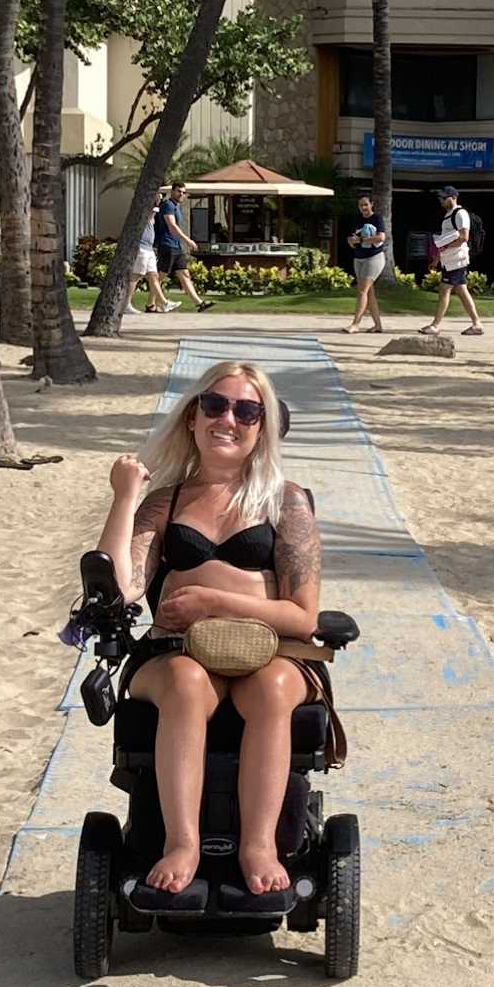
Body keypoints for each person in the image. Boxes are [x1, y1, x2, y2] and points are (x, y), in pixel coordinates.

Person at [97, 361, 327, 896]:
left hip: (271, 651)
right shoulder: (165, 503)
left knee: (271, 687)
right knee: (185, 682)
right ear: (192, 418)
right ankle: (182, 841)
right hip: (174, 652)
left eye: (248, 410)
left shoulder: (285, 502)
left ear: (262, 427)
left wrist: (213, 602)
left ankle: (259, 845)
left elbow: (304, 617)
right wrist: (125, 497)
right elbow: (120, 587)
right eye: (216, 405)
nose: (230, 418)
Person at [420, 186, 483, 337]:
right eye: (441, 198)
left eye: (444, 197)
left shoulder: (460, 214)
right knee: (460, 289)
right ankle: (476, 323)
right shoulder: (449, 216)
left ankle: (436, 325)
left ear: (453, 198)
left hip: (457, 259)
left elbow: (463, 237)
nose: (441, 200)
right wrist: (437, 259)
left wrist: (446, 247)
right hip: (451, 259)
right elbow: (444, 241)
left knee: (445, 289)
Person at [156, 181, 213, 313]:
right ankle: (151, 304)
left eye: (183, 192)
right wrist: (187, 240)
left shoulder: (176, 207)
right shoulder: (168, 205)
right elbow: (172, 226)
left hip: (176, 246)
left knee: (184, 274)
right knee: (159, 277)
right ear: (172, 191)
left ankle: (199, 303)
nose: (181, 194)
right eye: (178, 191)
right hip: (167, 245)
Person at [343, 192, 387, 334]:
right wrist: (352, 241)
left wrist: (362, 240)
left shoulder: (377, 218)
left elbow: (381, 237)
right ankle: (378, 325)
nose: (363, 207)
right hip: (359, 257)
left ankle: (356, 323)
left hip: (374, 257)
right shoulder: (357, 220)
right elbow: (354, 238)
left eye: (366, 204)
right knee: (369, 292)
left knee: (362, 289)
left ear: (372, 204)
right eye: (361, 205)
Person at [126, 202, 177, 316]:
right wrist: (157, 206)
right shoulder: (145, 211)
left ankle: (164, 303)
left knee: (154, 275)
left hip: (149, 248)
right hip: (142, 247)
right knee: (136, 275)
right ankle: (126, 304)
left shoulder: (152, 212)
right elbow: (150, 214)